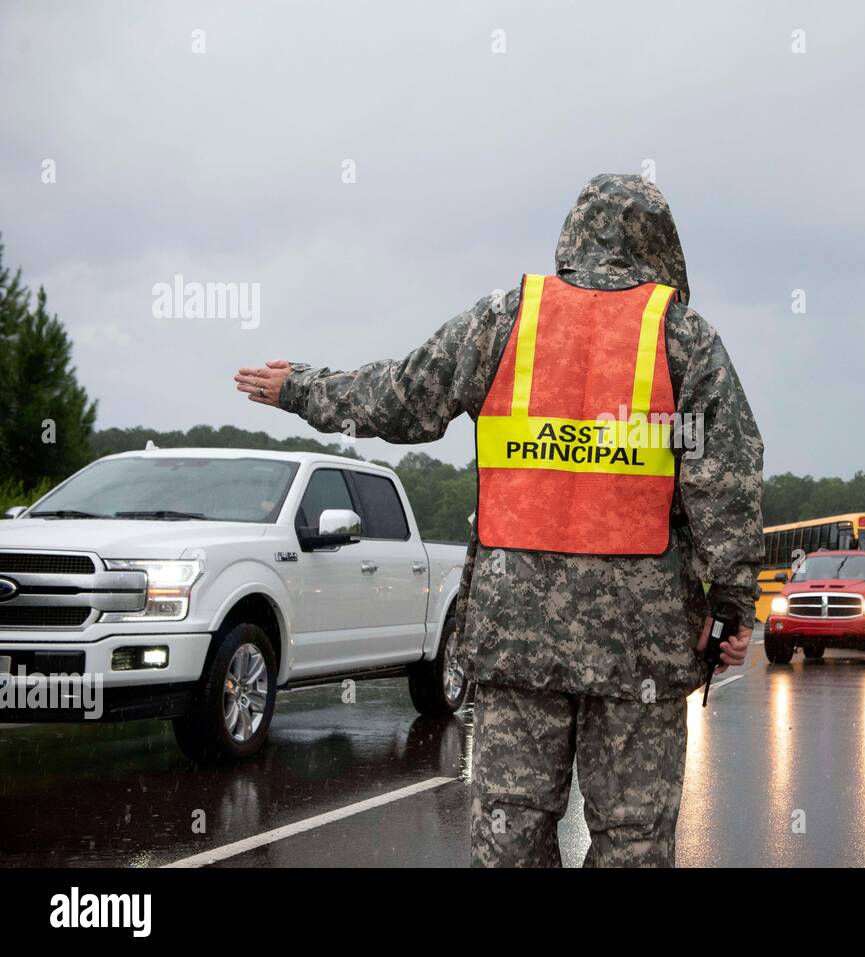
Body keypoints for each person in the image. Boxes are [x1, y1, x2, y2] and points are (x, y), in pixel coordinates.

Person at [234, 173, 764, 867]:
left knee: (510, 837)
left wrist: (301, 387)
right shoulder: (680, 337)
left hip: (518, 642)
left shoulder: (509, 318)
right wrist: (728, 606)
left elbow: (401, 397)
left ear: (574, 236)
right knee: (633, 841)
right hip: (640, 647)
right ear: (657, 245)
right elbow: (725, 478)